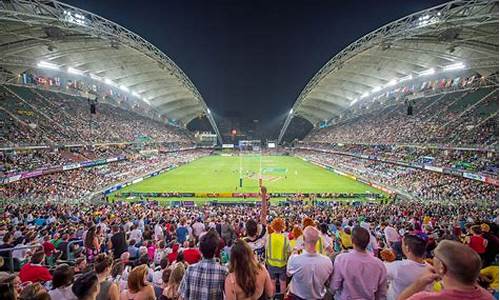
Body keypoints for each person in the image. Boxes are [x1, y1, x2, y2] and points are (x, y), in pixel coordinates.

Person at [399, 240, 493, 300]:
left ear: (442, 267)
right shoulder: (487, 296)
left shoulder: (424, 298)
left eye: (434, 255)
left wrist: (419, 283)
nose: (432, 258)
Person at [330, 226, 387, 300]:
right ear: (368, 242)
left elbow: (334, 286)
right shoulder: (379, 264)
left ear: (352, 241)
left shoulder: (341, 259)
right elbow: (381, 294)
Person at [179, 230, 228, 300]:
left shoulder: (190, 269)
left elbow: (182, 296)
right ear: (216, 249)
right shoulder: (223, 271)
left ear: (200, 250)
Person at [287, 226, 333, 300]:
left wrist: (295, 251)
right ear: (318, 240)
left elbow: (288, 274)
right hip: (319, 297)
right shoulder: (327, 261)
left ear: (303, 239)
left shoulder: (294, 259)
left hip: (298, 297)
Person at [385, 234, 429, 300]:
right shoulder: (430, 267)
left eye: (402, 244)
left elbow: (378, 271)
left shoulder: (397, 267)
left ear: (407, 248)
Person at [265, 218, 291, 296]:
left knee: (272, 283)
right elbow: (289, 251)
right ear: (282, 227)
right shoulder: (285, 238)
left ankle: (273, 297)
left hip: (271, 264)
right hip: (282, 264)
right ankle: (282, 297)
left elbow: (266, 250)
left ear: (273, 226)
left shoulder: (269, 237)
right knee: (283, 283)